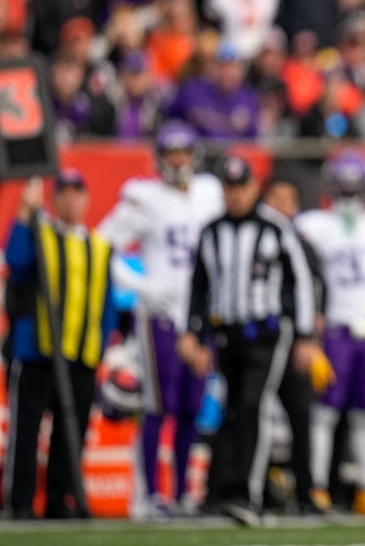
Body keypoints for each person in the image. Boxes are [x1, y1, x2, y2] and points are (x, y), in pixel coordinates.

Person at [177, 155, 316, 526]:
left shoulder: (275, 227)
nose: (236, 196)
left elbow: (299, 281)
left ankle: (248, 494)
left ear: (254, 188)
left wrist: (304, 334)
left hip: (267, 334)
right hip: (228, 335)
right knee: (231, 409)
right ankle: (220, 491)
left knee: (254, 404)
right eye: (229, 189)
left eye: (241, 188)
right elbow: (200, 286)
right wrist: (193, 331)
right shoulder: (211, 231)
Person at [96, 122, 225, 517]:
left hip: (198, 320)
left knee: (190, 409)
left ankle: (184, 492)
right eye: (171, 153)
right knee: (156, 407)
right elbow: (100, 245)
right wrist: (144, 286)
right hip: (158, 318)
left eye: (184, 153)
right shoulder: (144, 198)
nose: (178, 161)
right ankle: (148, 494)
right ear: (158, 158)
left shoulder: (209, 193)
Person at [293, 151, 365, 517]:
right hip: (334, 331)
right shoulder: (312, 225)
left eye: (353, 184)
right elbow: (305, 287)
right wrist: (310, 339)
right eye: (341, 185)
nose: (347, 192)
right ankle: (316, 488)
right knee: (323, 416)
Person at [3, 170, 117, 519]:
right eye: (63, 193)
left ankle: (60, 499)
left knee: (71, 433)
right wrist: (25, 212)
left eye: (76, 193)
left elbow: (106, 301)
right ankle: (20, 502)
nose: (70, 200)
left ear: (86, 199)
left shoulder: (98, 244)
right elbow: (17, 261)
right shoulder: (41, 234)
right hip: (37, 352)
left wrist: (100, 347)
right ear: (54, 199)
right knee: (26, 431)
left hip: (80, 355)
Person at [260, 177, 326, 515]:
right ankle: (251, 491)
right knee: (251, 416)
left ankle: (305, 490)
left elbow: (316, 287)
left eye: (289, 199)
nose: (283, 206)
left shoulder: (303, 243)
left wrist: (308, 336)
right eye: (276, 198)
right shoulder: (253, 235)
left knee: (301, 416)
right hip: (258, 341)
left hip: (292, 340)